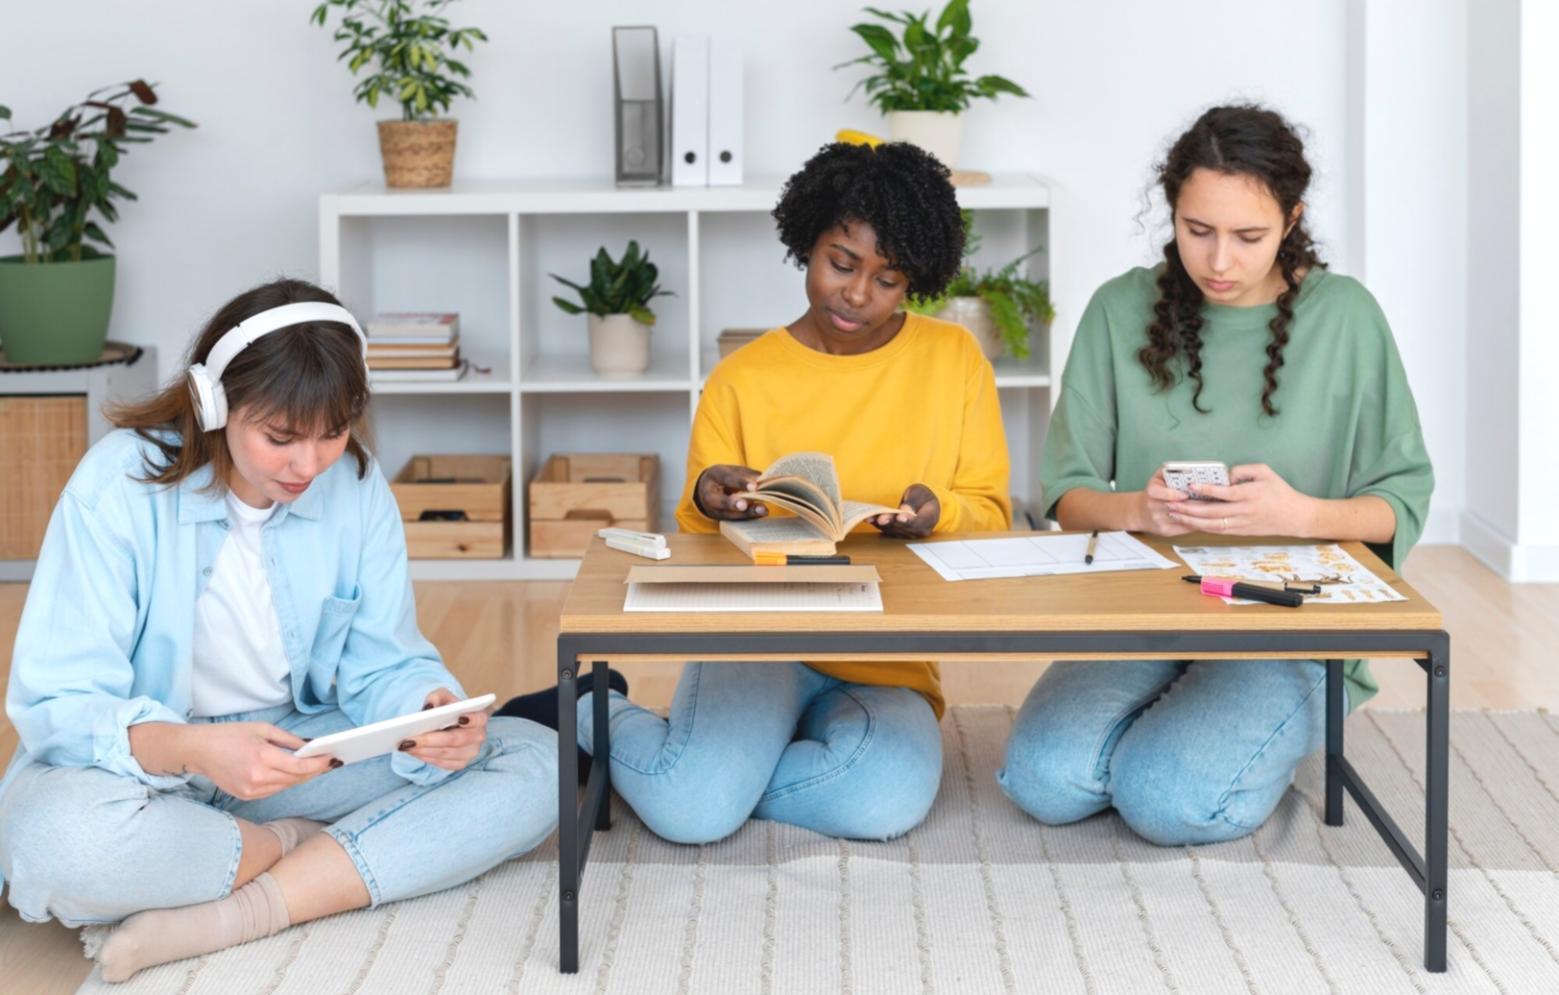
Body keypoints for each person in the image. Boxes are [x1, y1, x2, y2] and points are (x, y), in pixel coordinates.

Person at [0, 279, 558, 982]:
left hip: (300, 750)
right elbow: (60, 700)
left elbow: (383, 660)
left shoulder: (354, 486)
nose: (309, 465)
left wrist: (424, 711)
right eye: (281, 438)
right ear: (214, 403)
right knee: (54, 840)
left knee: (534, 761)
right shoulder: (117, 486)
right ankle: (300, 850)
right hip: (149, 767)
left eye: (332, 433)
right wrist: (194, 747)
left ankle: (246, 905)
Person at [542, 141, 1010, 844]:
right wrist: (708, 497)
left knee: (882, 802)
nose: (855, 294)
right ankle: (587, 708)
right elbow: (691, 537)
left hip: (886, 657)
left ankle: (713, 771)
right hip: (756, 639)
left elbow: (991, 511)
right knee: (691, 814)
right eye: (840, 263)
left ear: (917, 277)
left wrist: (941, 512)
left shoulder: (954, 362)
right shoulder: (743, 376)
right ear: (806, 244)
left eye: (887, 279)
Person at [997, 104, 1433, 846]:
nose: (1219, 261)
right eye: (1196, 231)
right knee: (1041, 779)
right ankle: (1192, 718)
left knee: (1166, 802)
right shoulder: (1116, 310)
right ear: (1172, 212)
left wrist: (1302, 516)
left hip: (1285, 622)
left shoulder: (1347, 318)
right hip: (1142, 608)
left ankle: (1211, 733)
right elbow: (1065, 498)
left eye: (1248, 236)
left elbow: (1401, 499)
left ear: (1291, 219)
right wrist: (1138, 507)